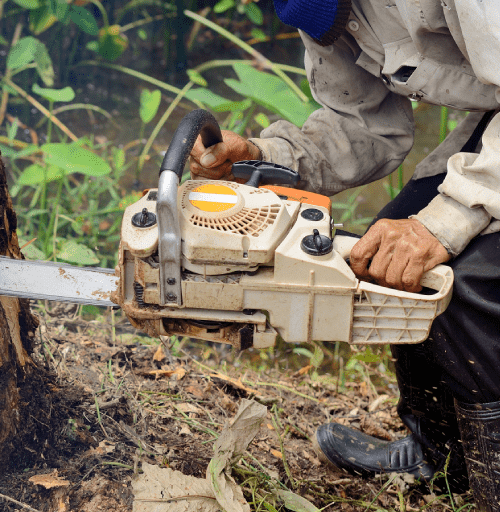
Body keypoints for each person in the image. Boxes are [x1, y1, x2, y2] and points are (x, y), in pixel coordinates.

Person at [189, 0, 500, 509]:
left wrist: (441, 226)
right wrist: (267, 159)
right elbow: (366, 124)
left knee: (467, 284)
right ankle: (442, 459)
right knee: (391, 253)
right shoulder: (322, 13)